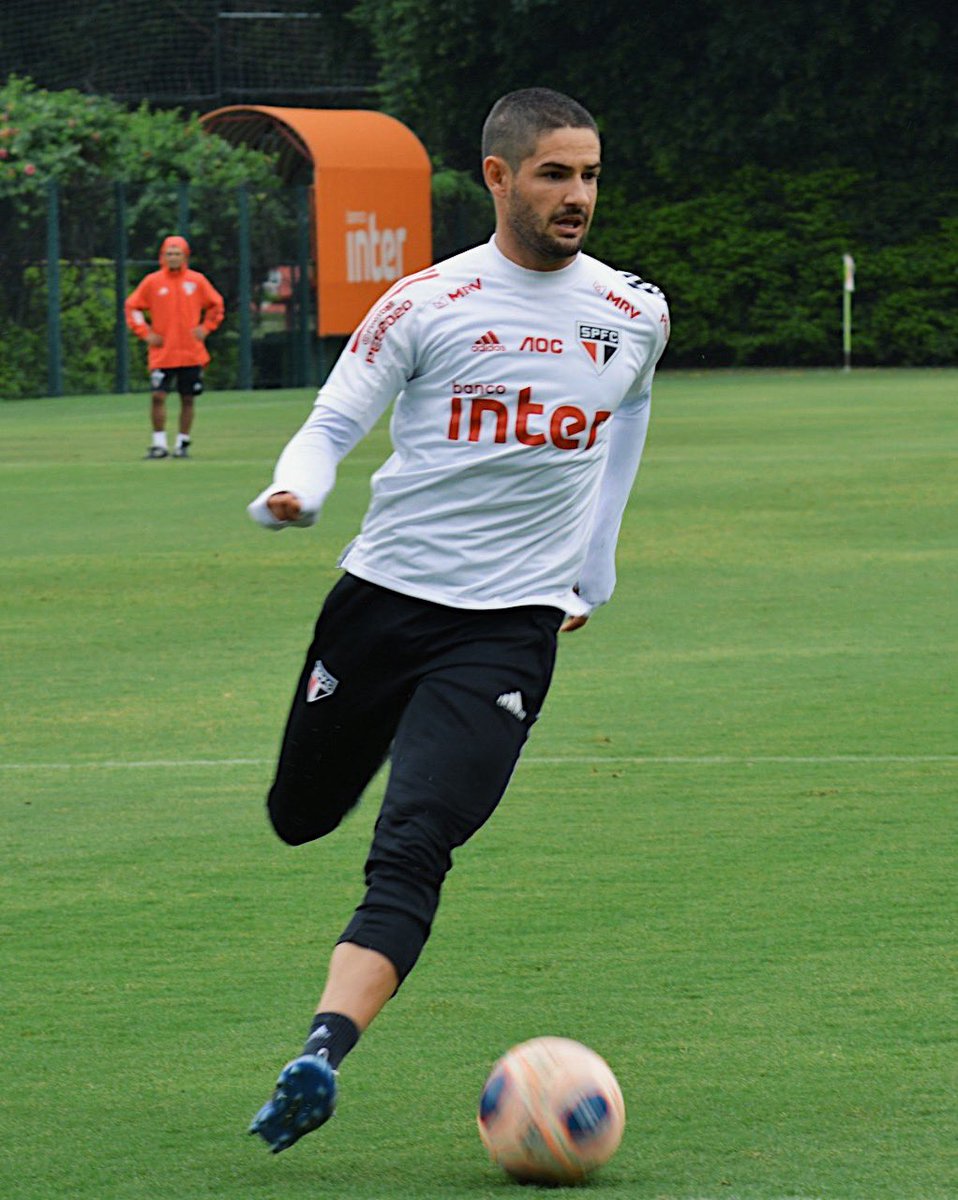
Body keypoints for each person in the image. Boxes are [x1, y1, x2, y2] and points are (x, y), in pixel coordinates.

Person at [245, 86, 670, 1154]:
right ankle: (397, 717)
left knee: (415, 844)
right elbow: (332, 423)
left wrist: (591, 573)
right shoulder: (426, 302)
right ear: (497, 177)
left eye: (588, 174)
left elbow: (626, 426)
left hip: (507, 628)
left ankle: (321, 1051)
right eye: (553, 174)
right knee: (299, 815)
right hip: (382, 605)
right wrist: (296, 490)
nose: (576, 196)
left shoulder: (632, 312)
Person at [124, 235, 224, 459]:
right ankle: (159, 444)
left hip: (190, 353)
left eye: (177, 253)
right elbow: (132, 307)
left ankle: (182, 443)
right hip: (163, 353)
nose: (173, 257)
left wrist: (206, 328)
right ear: (162, 256)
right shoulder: (152, 282)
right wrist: (146, 333)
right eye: (169, 253)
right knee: (158, 396)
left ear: (185, 256)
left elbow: (216, 305)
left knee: (187, 398)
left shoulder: (197, 281)